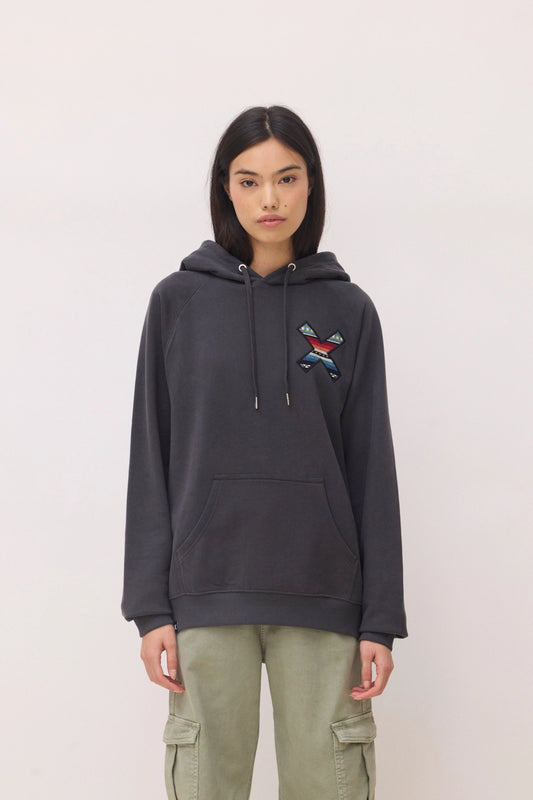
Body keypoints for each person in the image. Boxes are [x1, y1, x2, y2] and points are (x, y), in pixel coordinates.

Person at [121, 104, 408, 800]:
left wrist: (380, 617)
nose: (269, 199)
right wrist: (150, 608)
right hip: (205, 591)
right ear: (226, 188)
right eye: (249, 181)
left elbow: (371, 464)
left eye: (287, 178)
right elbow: (150, 455)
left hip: (324, 594)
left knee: (327, 786)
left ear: (311, 184)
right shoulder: (177, 302)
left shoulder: (349, 311)